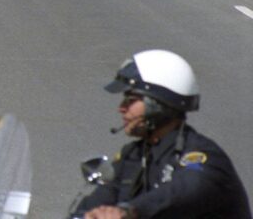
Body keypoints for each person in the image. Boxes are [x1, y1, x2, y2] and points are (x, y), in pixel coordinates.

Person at [73, 50, 250, 219]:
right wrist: (85, 215)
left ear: (157, 104)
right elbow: (103, 196)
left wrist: (130, 211)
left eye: (131, 100)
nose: (122, 108)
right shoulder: (132, 155)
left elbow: (184, 191)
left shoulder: (202, 156)